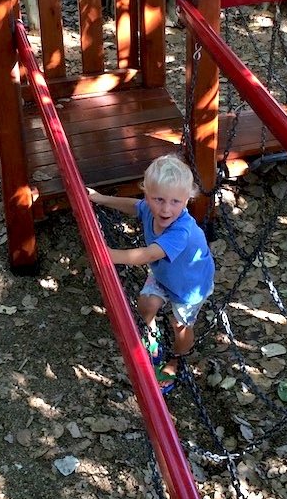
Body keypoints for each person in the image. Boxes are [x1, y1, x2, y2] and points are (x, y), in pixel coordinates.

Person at [88, 155, 215, 395]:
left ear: (187, 200)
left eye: (176, 201)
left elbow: (148, 254)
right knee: (146, 304)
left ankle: (177, 360)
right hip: (164, 274)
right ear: (147, 195)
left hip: (189, 286)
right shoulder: (149, 207)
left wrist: (106, 254)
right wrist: (100, 198)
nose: (166, 209)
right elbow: (133, 206)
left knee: (180, 326)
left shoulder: (181, 231)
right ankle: (151, 332)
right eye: (158, 199)